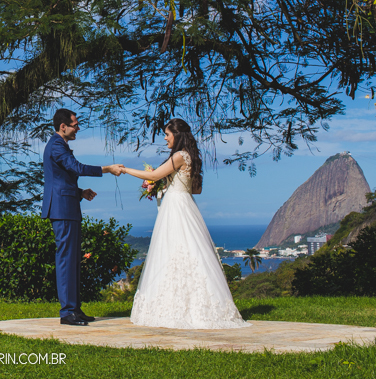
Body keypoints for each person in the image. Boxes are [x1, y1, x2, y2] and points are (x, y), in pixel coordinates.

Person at [120, 118, 249, 329]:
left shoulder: (180, 156)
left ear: (177, 136)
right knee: (187, 251)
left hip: (176, 208)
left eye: (167, 134)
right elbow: (195, 189)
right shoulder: (190, 157)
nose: (164, 138)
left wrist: (126, 170)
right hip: (184, 203)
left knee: (174, 251)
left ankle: (178, 307)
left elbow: (153, 174)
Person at [42, 108, 123, 326]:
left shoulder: (60, 145)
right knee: (67, 259)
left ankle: (74, 309)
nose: (78, 128)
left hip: (68, 206)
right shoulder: (57, 145)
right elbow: (75, 167)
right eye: (75, 124)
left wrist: (79, 193)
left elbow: (61, 178)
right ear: (63, 126)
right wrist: (107, 168)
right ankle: (67, 312)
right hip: (62, 210)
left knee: (72, 260)